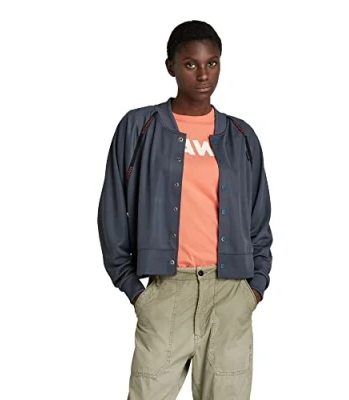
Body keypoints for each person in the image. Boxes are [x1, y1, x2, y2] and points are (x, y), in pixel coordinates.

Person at [97, 20, 273, 400]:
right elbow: (112, 211)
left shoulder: (241, 136)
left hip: (230, 295)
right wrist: (135, 290)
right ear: (171, 66)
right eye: (191, 64)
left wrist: (255, 288)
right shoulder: (139, 127)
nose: (203, 74)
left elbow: (259, 219)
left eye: (212, 63)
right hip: (166, 292)